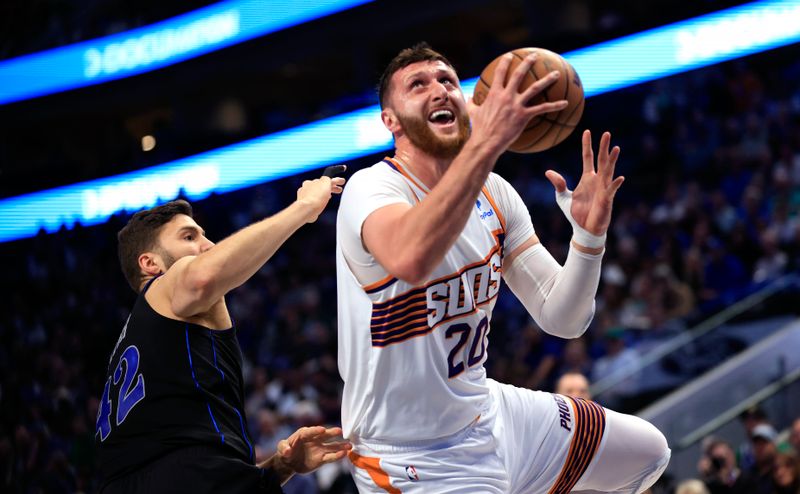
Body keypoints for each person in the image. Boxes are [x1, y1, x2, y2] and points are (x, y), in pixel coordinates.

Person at [336, 43, 670, 493]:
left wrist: (588, 239)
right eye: (418, 85)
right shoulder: (371, 188)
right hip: (410, 456)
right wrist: (487, 140)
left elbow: (564, 319)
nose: (439, 90)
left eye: (448, 80)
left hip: (493, 414)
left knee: (647, 452)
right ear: (390, 121)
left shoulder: (495, 192)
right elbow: (411, 257)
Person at [96, 173, 351, 494]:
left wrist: (282, 465)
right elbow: (200, 279)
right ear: (150, 263)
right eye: (189, 237)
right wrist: (304, 208)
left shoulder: (136, 340)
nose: (208, 245)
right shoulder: (166, 287)